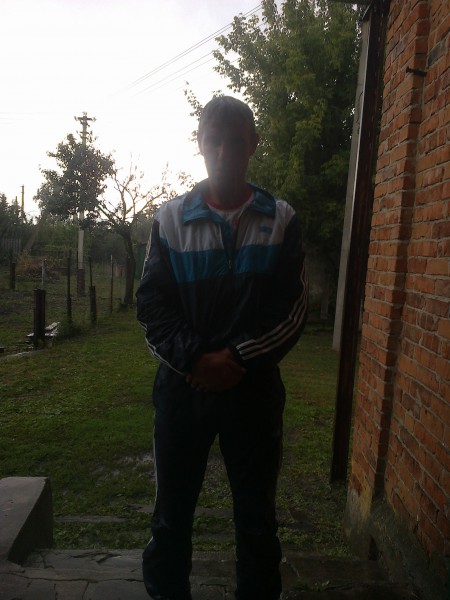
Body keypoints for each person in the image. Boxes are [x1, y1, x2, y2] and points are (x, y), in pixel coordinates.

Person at [136, 96, 308, 600]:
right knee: (171, 517)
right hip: (182, 392)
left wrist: (235, 359)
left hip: (253, 393)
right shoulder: (170, 219)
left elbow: (292, 309)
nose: (224, 151)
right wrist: (195, 358)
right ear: (199, 144)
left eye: (236, 141)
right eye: (214, 140)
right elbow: (151, 306)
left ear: (254, 144)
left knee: (257, 520)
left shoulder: (280, 219)